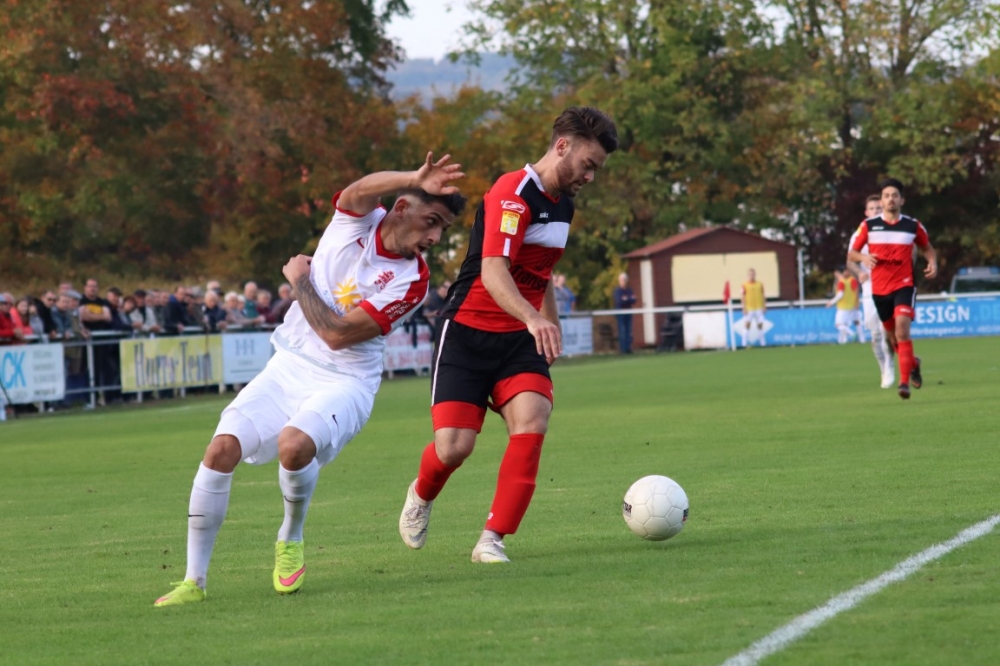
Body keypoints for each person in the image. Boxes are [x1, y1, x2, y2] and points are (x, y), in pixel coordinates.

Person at [153, 152, 466, 607]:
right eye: (431, 221)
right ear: (401, 207)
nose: (435, 237)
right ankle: (192, 582)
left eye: (443, 230)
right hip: (288, 366)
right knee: (220, 449)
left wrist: (299, 279)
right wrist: (414, 175)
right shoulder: (356, 222)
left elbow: (337, 336)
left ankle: (291, 537)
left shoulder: (412, 280)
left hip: (346, 381)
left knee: (295, 444)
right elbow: (360, 188)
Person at [397, 106, 618, 564]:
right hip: (468, 334)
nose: (590, 176)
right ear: (563, 147)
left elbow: (542, 272)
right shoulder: (511, 193)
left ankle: (491, 539)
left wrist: (547, 321)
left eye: (596, 169)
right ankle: (421, 493)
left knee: (533, 419)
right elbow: (495, 273)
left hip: (518, 340)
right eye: (587, 165)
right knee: (454, 448)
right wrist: (534, 318)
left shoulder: (565, 205)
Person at [849, 178, 937, 399]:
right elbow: (851, 254)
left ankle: (903, 383)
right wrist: (864, 257)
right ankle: (913, 363)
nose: (890, 199)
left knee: (902, 331)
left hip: (904, 285)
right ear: (882, 199)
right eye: (886, 196)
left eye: (894, 195)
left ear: (902, 200)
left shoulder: (912, 225)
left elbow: (927, 248)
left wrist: (932, 262)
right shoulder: (868, 226)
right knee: (893, 339)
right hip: (879, 289)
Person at [847, 194, 895, 389]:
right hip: (869, 289)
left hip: (890, 286)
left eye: (878, 208)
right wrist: (859, 272)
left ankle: (891, 367)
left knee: (886, 331)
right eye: (872, 209)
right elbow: (850, 260)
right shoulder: (860, 233)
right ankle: (883, 368)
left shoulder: (891, 230)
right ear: (866, 213)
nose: (875, 211)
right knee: (875, 334)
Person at [825, 267, 864, 344]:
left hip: (844, 307)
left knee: (839, 325)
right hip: (851, 305)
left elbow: (840, 294)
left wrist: (831, 302)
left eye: (836, 274)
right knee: (850, 323)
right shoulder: (849, 281)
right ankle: (843, 341)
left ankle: (853, 334)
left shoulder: (842, 282)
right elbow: (854, 292)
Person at [741, 268, 767, 347]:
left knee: (760, 325)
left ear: (755, 275)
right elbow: (742, 296)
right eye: (750, 274)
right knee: (747, 324)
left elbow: (763, 295)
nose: (751, 276)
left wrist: (764, 305)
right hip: (749, 308)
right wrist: (744, 307)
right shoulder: (744, 285)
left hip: (759, 308)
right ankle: (744, 343)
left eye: (753, 274)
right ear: (748, 275)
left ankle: (762, 343)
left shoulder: (760, 284)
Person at [612, 272, 636, 353]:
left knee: (628, 331)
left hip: (628, 313)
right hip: (621, 314)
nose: (623, 282)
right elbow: (619, 301)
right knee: (622, 331)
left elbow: (633, 300)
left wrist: (626, 299)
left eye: (624, 280)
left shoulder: (629, 290)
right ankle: (623, 349)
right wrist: (627, 299)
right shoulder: (617, 291)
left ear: (626, 281)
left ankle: (628, 348)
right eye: (621, 280)